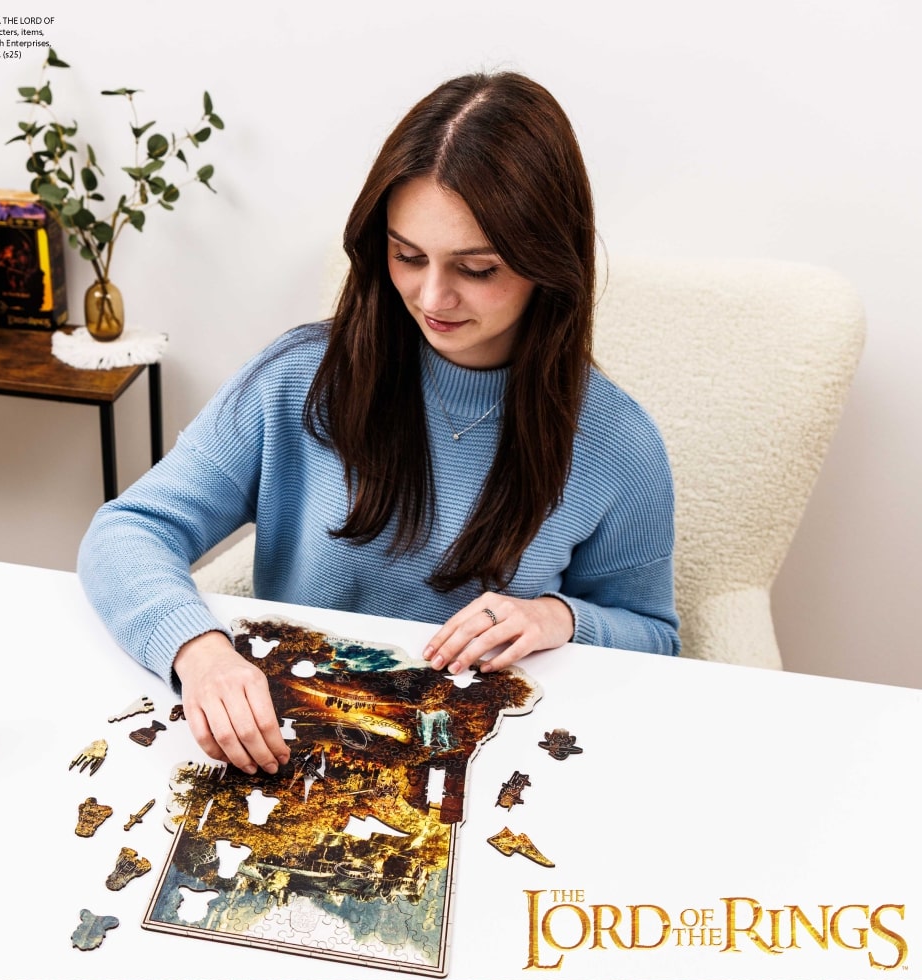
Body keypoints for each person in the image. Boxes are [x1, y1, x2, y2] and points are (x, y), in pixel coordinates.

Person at [79, 72, 679, 778]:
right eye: (408, 256)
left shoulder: (618, 442)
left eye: (477, 268)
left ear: (549, 262)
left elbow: (655, 637)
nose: (432, 297)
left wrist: (560, 617)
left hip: (488, 766)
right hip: (293, 755)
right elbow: (128, 530)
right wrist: (198, 651)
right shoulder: (299, 379)